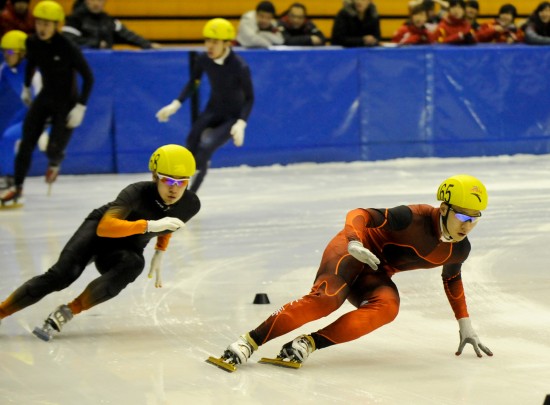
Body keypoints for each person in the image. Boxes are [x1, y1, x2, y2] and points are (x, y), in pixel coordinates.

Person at [210, 174, 493, 370]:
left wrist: (464, 323)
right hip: (350, 251)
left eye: (475, 219)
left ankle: (307, 344)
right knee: (326, 300)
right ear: (444, 208)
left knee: (388, 308)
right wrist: (356, 240)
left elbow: (452, 279)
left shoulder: (459, 249)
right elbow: (359, 213)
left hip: (376, 271)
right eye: (463, 216)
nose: (468, 226)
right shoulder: (413, 216)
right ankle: (248, 342)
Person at [0, 144, 201, 341]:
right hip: (97, 235)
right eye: (168, 181)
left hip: (122, 251)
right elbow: (105, 228)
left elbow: (169, 222)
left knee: (134, 265)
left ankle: (69, 311)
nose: (174, 189)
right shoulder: (136, 192)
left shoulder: (190, 205)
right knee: (62, 275)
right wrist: (149, 226)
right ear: (155, 177)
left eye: (181, 182)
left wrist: (160, 250)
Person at [0, 0, 94, 207]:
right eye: (39, 23)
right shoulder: (32, 43)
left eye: (47, 24)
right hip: (45, 98)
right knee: (26, 143)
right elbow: (31, 63)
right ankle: (17, 188)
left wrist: (81, 106)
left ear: (56, 25)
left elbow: (88, 77)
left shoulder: (67, 46)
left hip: (66, 103)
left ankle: (55, 161)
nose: (42, 28)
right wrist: (26, 87)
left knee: (52, 149)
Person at [155, 19, 254, 193]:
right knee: (190, 145)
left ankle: (189, 195)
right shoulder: (204, 59)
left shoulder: (240, 66)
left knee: (206, 148)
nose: (209, 46)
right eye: (207, 40)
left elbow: (250, 98)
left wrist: (241, 123)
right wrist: (176, 103)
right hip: (211, 111)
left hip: (231, 118)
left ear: (227, 43)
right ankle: (179, 189)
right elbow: (194, 82)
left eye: (214, 42)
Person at [0, 29, 47, 191]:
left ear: (23, 53)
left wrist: (45, 130)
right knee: (6, 137)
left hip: (46, 113)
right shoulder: (6, 69)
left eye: (10, 51)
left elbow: (47, 99)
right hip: (29, 110)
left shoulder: (34, 71)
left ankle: (9, 179)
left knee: (7, 137)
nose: (6, 55)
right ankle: (8, 175)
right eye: (4, 51)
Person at [61, 0, 159, 49]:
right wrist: (96, 43)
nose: (96, 3)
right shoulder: (74, 19)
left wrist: (148, 45)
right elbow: (67, 40)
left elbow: (128, 35)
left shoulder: (108, 21)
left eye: (100, 0)